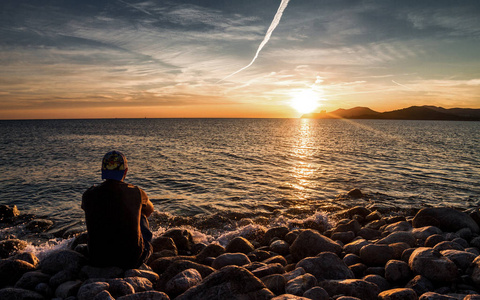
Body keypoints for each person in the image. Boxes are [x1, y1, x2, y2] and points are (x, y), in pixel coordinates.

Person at [82, 150, 154, 269]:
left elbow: (87, 208)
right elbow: (150, 210)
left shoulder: (88, 194)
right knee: (141, 214)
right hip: (132, 259)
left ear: (102, 171)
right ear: (125, 171)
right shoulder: (136, 192)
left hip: (97, 258)